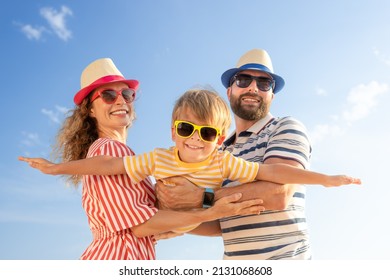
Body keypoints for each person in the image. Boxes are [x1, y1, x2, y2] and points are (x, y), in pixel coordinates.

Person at [18, 58, 265, 260]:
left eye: (126, 94)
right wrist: (207, 213)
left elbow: (151, 222)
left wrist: (181, 221)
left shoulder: (128, 158)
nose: (120, 101)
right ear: (90, 109)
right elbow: (140, 226)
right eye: (107, 95)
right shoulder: (109, 150)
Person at [20, 89, 360, 231]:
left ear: (220, 138)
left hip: (193, 221)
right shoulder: (159, 159)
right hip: (169, 222)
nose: (196, 138)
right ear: (172, 131)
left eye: (208, 133)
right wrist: (58, 167)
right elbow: (110, 166)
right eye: (187, 128)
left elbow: (272, 172)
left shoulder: (223, 163)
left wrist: (325, 179)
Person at [156, 49, 356, 260]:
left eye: (264, 83)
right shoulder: (219, 151)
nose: (253, 87)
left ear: (271, 95)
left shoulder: (284, 127)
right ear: (229, 91)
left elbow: (277, 194)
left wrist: (200, 197)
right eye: (243, 80)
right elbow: (219, 224)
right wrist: (175, 219)